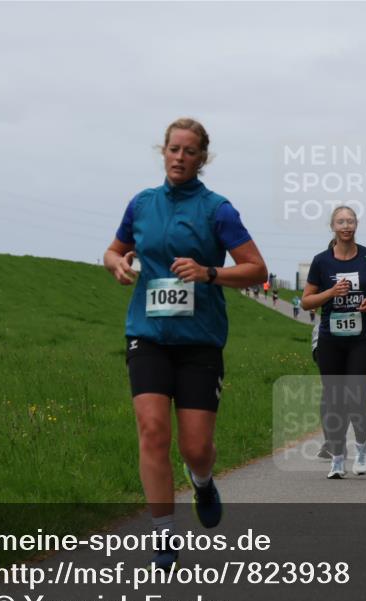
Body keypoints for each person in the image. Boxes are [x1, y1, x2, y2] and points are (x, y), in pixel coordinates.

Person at [103, 118, 268, 569]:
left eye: (189, 151)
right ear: (163, 152)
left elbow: (257, 269)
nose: (180, 157)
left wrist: (209, 272)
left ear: (202, 158)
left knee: (195, 447)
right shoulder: (141, 204)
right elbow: (113, 250)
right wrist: (117, 264)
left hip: (200, 341)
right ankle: (163, 538)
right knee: (153, 431)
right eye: (173, 149)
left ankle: (202, 480)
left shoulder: (218, 210)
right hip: (148, 335)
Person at [301, 205, 366, 478]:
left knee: (356, 397)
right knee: (335, 398)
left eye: (350, 221)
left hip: (362, 338)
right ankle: (337, 458)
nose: (346, 226)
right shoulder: (321, 261)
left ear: (356, 225)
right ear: (333, 227)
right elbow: (306, 301)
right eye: (341, 222)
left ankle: (362, 450)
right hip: (331, 338)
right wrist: (331, 292)